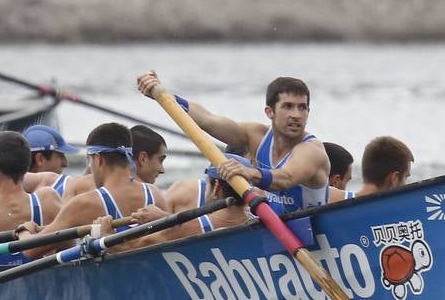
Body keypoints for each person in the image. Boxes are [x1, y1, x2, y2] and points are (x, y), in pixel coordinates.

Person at [137, 71, 331, 213]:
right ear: (269, 112)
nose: (296, 115)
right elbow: (206, 119)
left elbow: (286, 178)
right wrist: (163, 96)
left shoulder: (311, 150)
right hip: (279, 237)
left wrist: (249, 172)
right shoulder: (256, 136)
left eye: (302, 108)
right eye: (288, 107)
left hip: (315, 238)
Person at [19, 123, 166, 259]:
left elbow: (31, 250)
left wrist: (25, 231)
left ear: (98, 159)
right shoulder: (156, 195)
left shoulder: (84, 204)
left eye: (89, 160)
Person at [126, 155, 252, 249]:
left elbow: (132, 246)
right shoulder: (258, 222)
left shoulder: (195, 227)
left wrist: (106, 232)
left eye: (207, 183)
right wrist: (165, 219)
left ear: (217, 187)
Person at [60, 123, 167, 199]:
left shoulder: (78, 187)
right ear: (143, 158)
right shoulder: (155, 196)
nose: (162, 170)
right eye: (160, 160)